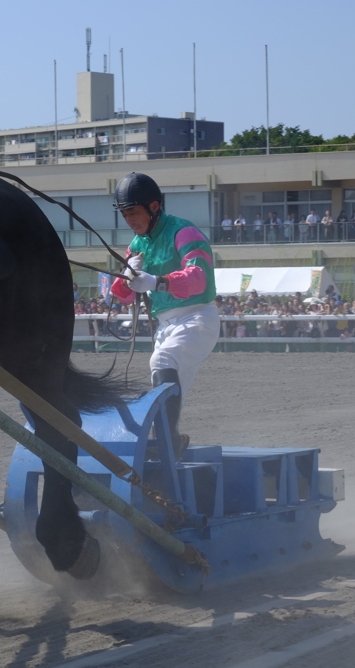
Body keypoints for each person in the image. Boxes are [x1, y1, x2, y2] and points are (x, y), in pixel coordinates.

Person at [109, 172, 219, 458]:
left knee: (162, 361)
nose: (130, 220)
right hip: (165, 326)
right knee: (169, 391)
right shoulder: (136, 244)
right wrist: (125, 275)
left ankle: (166, 441)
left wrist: (158, 282)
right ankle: (172, 445)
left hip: (197, 318)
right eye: (125, 215)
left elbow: (200, 277)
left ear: (154, 207)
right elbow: (124, 296)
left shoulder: (185, 232)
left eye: (133, 212)